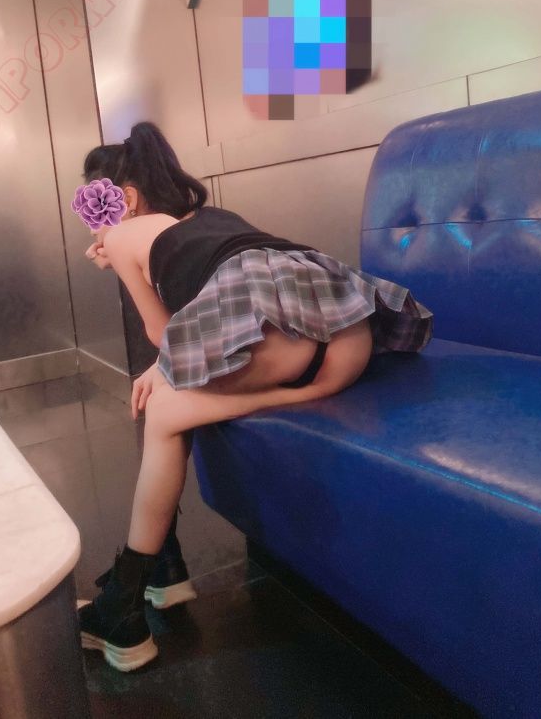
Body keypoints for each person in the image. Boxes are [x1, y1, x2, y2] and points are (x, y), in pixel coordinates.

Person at [75, 121, 434, 672]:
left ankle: (126, 606)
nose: (95, 225)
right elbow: (206, 324)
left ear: (124, 198)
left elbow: (163, 332)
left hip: (281, 343)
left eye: (94, 206)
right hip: (347, 338)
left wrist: (121, 266)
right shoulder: (207, 219)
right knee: (167, 385)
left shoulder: (126, 236)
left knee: (164, 410)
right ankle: (160, 567)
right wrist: (165, 369)